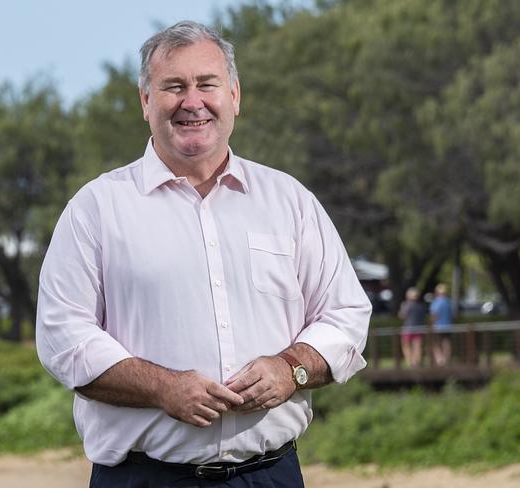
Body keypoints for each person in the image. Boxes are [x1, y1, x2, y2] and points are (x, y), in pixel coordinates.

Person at [36, 21, 371, 487]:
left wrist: (290, 369)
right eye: (173, 86)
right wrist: (163, 389)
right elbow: (63, 337)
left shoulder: (289, 200)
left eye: (206, 84)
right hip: (144, 478)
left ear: (234, 96)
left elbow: (347, 314)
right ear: (145, 102)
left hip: (271, 476)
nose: (192, 101)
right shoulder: (96, 208)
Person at [398, 287, 426, 367]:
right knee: (417, 346)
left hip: (407, 328)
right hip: (419, 328)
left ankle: (410, 362)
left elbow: (402, 315)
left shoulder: (406, 304)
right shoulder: (421, 306)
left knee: (406, 346)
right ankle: (416, 362)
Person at [430, 283, 453, 366]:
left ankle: (440, 359)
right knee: (446, 342)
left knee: (436, 343)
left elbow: (434, 315)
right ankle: (446, 359)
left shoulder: (436, 302)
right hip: (448, 325)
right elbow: (452, 315)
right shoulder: (449, 302)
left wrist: (431, 324)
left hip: (438, 326)